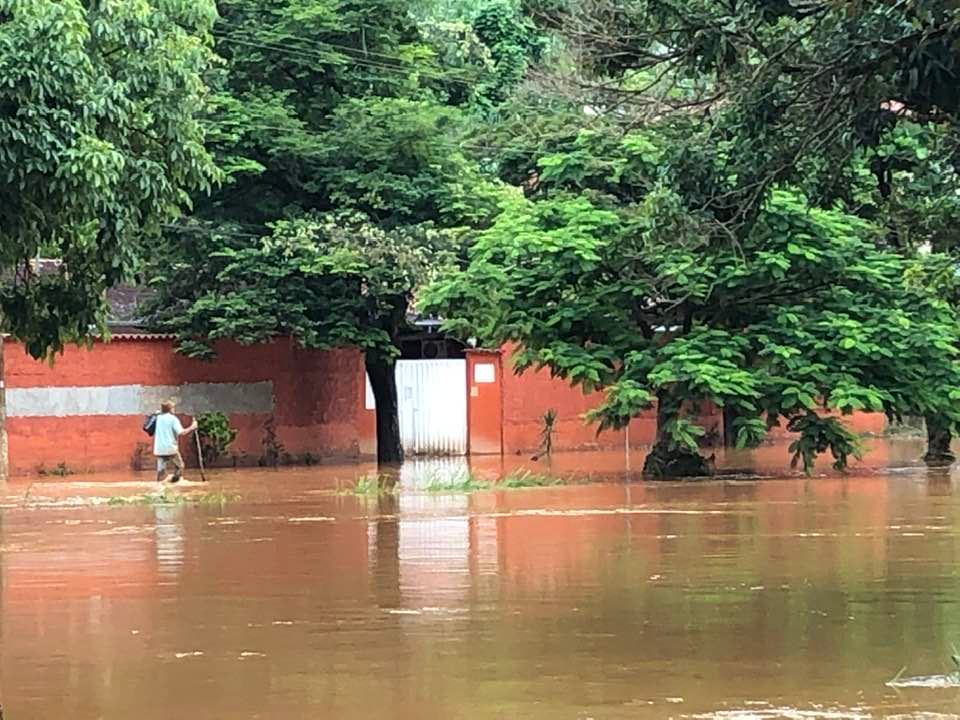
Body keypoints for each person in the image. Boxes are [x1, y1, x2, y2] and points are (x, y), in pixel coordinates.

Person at [154, 400, 197, 483]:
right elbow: (182, 432)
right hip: (171, 448)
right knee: (180, 466)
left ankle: (159, 485)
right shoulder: (173, 419)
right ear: (170, 409)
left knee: (161, 470)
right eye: (173, 408)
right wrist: (192, 427)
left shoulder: (158, 418)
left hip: (159, 449)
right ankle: (174, 483)